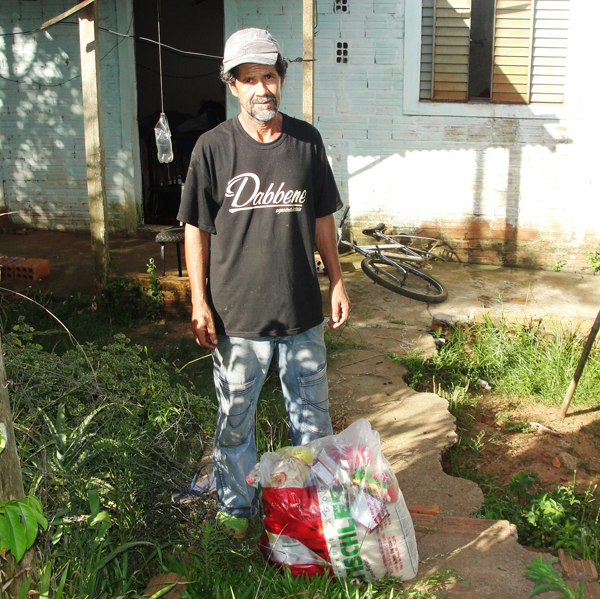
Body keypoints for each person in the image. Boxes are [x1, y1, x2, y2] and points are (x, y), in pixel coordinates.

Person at [177, 27, 350, 539]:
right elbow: (196, 228)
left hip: (301, 314)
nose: (262, 89)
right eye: (249, 79)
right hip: (238, 318)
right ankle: (236, 509)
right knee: (236, 421)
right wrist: (199, 300)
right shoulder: (212, 148)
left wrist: (337, 281)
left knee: (313, 422)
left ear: (281, 80)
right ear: (233, 86)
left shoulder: (306, 142)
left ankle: (307, 511)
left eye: (269, 76)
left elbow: (323, 219)